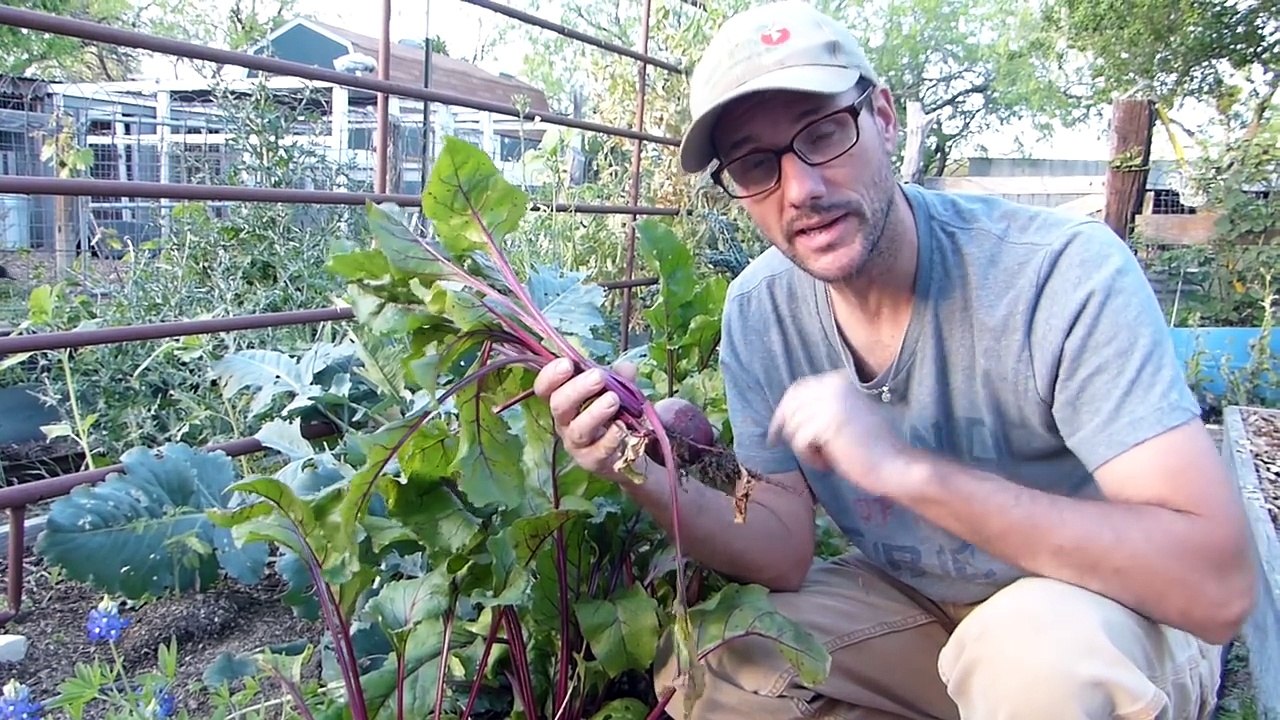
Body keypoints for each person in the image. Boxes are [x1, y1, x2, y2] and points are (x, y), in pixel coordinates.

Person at [532, 1, 1259, 718]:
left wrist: (910, 472)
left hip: (1101, 610)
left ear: (883, 117)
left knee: (1032, 664)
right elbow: (783, 546)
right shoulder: (762, 310)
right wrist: (632, 468)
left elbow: (1216, 588)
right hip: (913, 606)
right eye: (757, 164)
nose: (803, 190)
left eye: (823, 134)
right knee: (720, 666)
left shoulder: (1058, 276)